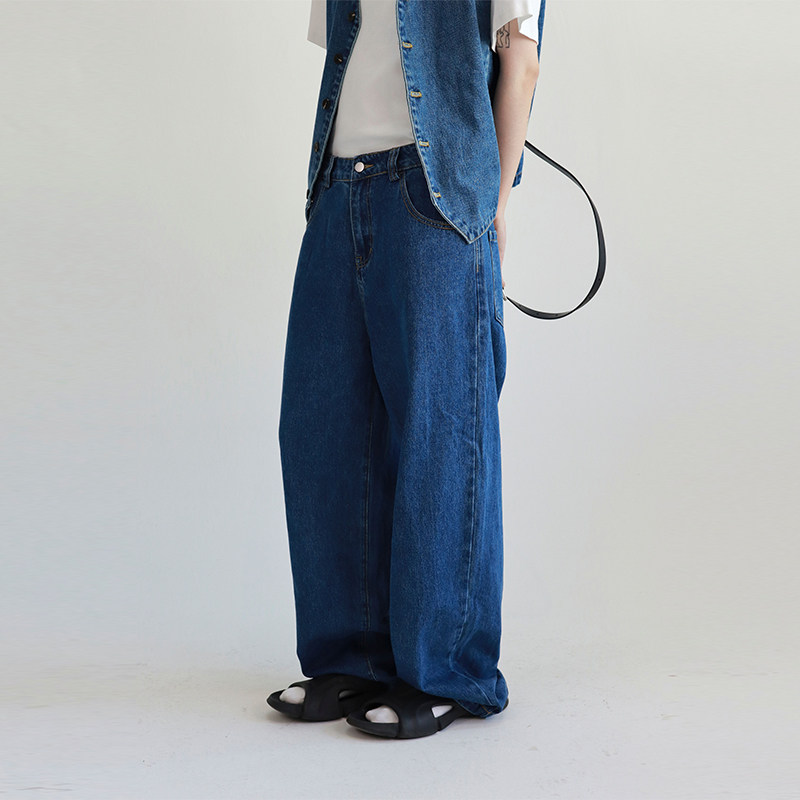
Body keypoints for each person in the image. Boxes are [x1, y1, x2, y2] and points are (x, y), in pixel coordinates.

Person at [267, 0, 543, 740]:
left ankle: (447, 670)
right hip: (339, 186)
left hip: (434, 194)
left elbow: (521, 62)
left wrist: (493, 203)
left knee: (441, 433)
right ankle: (351, 658)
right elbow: (347, 57)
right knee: (324, 428)